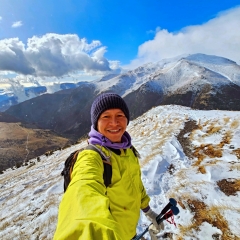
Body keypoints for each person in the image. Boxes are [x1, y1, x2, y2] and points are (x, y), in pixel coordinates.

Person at [54, 93, 163, 240]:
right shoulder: (92, 157)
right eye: (106, 116)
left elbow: (136, 184)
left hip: (129, 232)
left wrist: (148, 211)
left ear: (127, 119)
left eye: (120, 115)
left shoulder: (128, 150)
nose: (114, 122)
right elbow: (83, 193)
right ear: (96, 123)